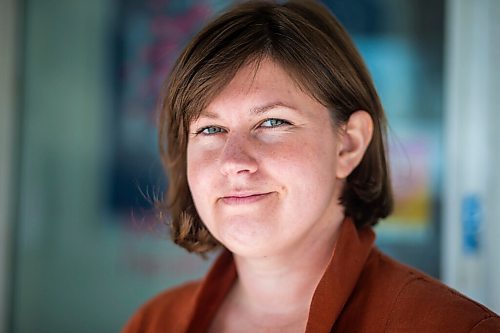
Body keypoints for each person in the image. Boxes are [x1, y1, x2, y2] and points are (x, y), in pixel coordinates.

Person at [121, 1, 500, 332]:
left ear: (348, 145)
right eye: (211, 129)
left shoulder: (452, 327)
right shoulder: (154, 323)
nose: (234, 161)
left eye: (272, 122)